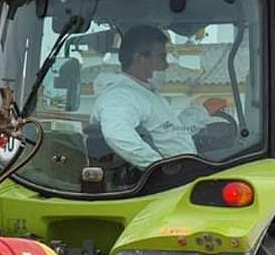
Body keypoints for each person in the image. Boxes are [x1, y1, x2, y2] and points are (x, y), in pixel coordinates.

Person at [91, 25, 215, 169]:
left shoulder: (145, 93)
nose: (166, 65)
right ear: (139, 59)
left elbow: (168, 131)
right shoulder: (120, 96)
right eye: (161, 57)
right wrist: (156, 168)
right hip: (166, 182)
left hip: (182, 172)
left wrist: (202, 112)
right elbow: (117, 134)